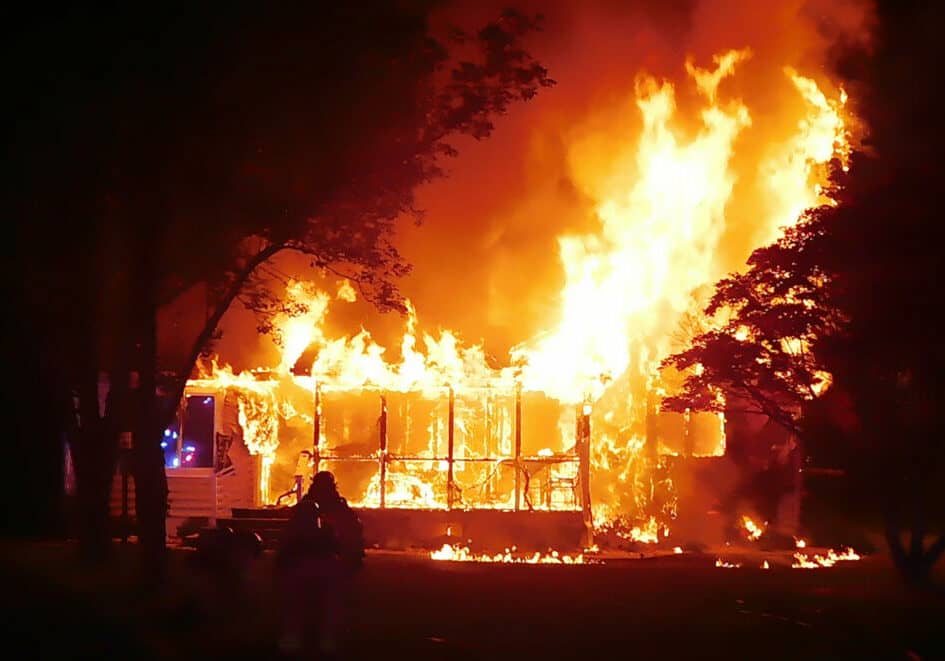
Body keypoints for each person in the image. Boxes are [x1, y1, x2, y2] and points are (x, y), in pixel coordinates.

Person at [274, 471, 364, 657]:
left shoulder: (317, 514)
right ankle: (322, 638)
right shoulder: (332, 515)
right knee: (325, 604)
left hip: (309, 569)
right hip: (318, 569)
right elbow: (347, 539)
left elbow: (285, 549)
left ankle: (298, 638)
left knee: (300, 604)